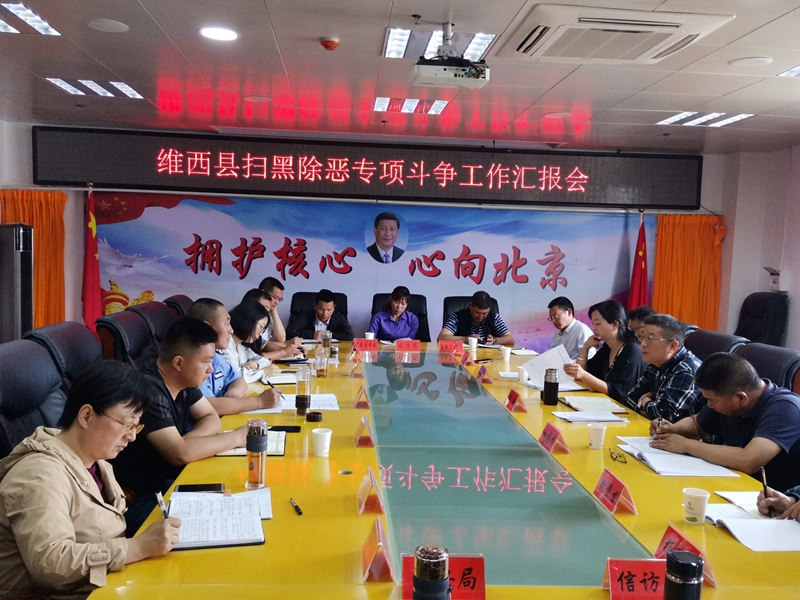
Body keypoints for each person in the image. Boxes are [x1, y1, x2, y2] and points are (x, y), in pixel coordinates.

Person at [0, 361, 182, 598]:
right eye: (127, 424)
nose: (132, 436)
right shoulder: (39, 476)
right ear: (86, 416)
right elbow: (51, 564)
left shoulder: (95, 460)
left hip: (105, 585)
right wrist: (137, 547)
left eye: (137, 426)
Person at [111, 318, 248, 536]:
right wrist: (238, 438)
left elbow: (211, 417)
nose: (211, 369)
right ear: (178, 363)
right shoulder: (148, 391)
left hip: (173, 481)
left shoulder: (184, 381)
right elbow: (179, 455)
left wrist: (187, 442)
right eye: (206, 362)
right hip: (143, 498)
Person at [651, 352, 800, 493]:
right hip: (734, 484)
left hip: (775, 498)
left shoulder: (786, 408)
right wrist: (672, 429)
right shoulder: (728, 400)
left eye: (711, 400)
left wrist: (686, 445)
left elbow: (749, 461)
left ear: (741, 398)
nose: (709, 405)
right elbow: (696, 425)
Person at [186, 298, 280, 416]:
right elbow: (210, 406)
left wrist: (232, 396)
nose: (231, 330)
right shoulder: (192, 363)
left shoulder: (217, 358)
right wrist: (260, 401)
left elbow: (238, 379)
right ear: (207, 327)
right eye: (226, 324)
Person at [624, 314, 704, 422]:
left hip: (683, 432)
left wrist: (646, 400)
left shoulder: (687, 371)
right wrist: (651, 405)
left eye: (650, 338)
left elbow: (662, 416)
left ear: (673, 346)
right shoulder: (655, 363)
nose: (643, 344)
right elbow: (629, 399)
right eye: (642, 337)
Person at [563, 299, 643, 403]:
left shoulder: (632, 350)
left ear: (615, 325)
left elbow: (617, 391)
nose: (594, 328)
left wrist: (583, 375)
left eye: (597, 323)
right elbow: (582, 375)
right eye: (593, 324)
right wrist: (585, 348)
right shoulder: (607, 348)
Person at [222, 300, 280, 383]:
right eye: (261, 327)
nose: (261, 334)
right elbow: (235, 378)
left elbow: (263, 360)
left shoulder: (240, 346)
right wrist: (263, 372)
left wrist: (256, 365)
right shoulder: (225, 346)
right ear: (249, 320)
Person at [241, 288, 305, 361]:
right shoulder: (240, 329)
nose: (266, 313)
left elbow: (264, 345)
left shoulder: (255, 328)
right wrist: (283, 352)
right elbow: (253, 358)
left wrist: (293, 350)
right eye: (264, 308)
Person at [438, 291, 514, 346]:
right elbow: (441, 338)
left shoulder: (493, 317)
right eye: (477, 313)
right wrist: (467, 339)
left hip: (488, 357)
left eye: (485, 313)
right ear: (470, 306)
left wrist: (495, 340)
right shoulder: (457, 317)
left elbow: (510, 339)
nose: (480, 317)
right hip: (462, 358)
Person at [285, 289, 354, 341]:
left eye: (329, 310)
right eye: (321, 309)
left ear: (334, 308)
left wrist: (326, 335)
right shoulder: (305, 316)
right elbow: (289, 333)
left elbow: (349, 335)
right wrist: (312, 334)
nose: (325, 313)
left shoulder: (338, 317)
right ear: (315, 306)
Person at [547, 296, 593, 360]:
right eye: (551, 318)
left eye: (556, 316)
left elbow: (589, 359)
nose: (553, 321)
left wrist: (569, 364)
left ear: (569, 312)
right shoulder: (557, 333)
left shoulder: (581, 330)